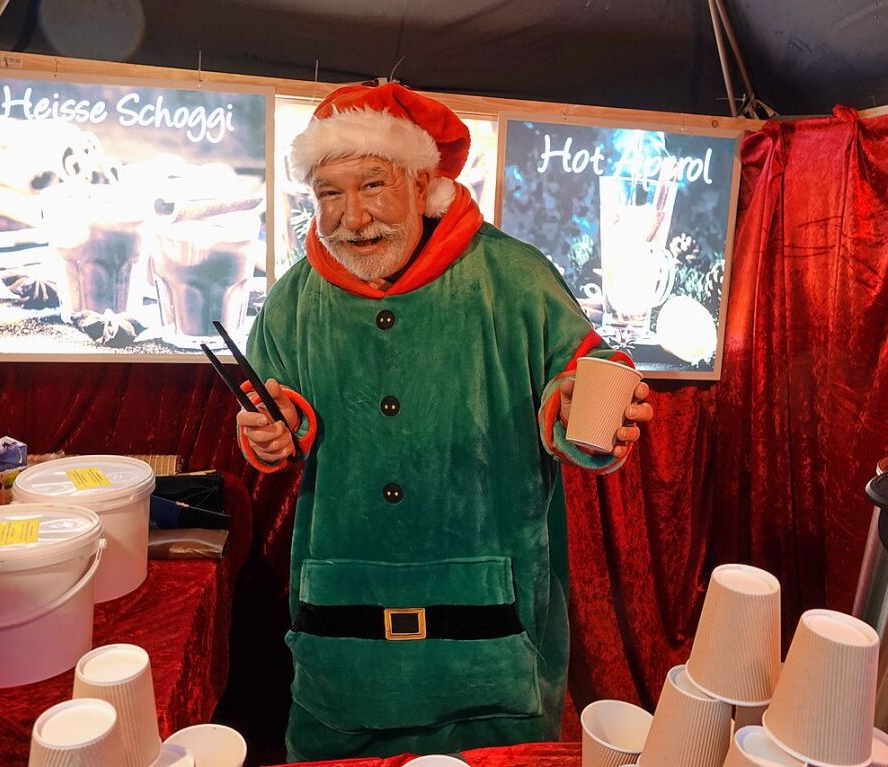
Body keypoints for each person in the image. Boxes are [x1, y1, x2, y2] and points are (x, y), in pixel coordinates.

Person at [235, 83, 653, 761]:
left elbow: (581, 374)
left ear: (422, 181)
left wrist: (580, 402)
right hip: (344, 628)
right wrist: (266, 432)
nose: (352, 218)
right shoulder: (293, 299)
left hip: (492, 626)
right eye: (329, 194)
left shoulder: (513, 278)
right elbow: (267, 411)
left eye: (371, 184)